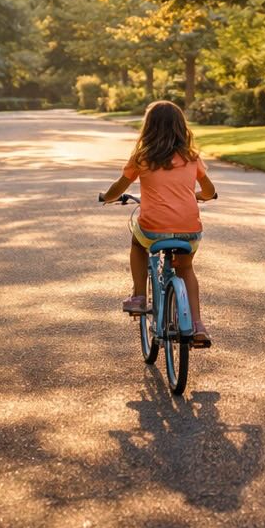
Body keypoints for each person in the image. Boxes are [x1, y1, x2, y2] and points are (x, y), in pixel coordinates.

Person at [100, 100, 218, 347]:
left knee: (137, 243)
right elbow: (209, 190)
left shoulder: (142, 157)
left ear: (149, 127)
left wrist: (107, 197)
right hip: (189, 231)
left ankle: (140, 296)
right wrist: (200, 196)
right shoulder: (191, 157)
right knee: (185, 269)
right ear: (181, 127)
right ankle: (198, 326)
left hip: (153, 230)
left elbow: (118, 188)